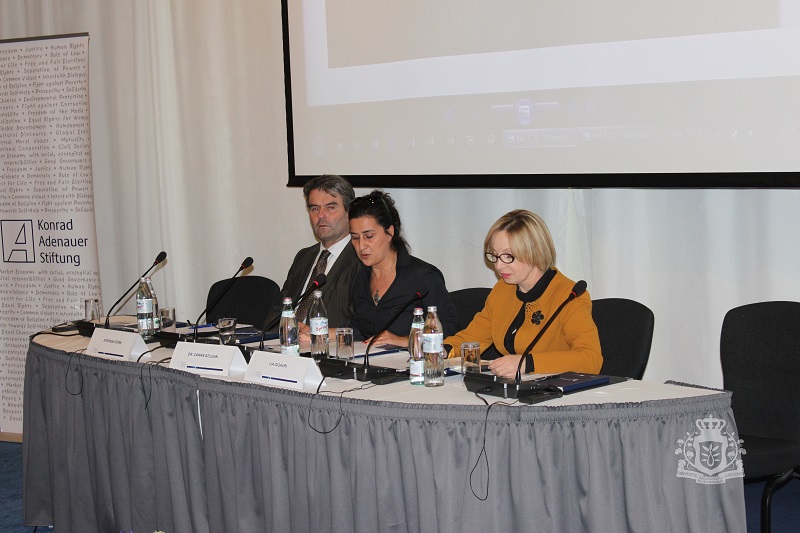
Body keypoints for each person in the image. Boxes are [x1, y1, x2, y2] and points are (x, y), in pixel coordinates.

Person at [444, 209, 602, 377]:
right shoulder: (502, 290)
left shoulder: (570, 296)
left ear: (534, 252)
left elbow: (590, 359)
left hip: (556, 386)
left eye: (508, 256)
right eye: (495, 256)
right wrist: (443, 350)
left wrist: (527, 363)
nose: (498, 266)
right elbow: (473, 337)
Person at [348, 190, 459, 346]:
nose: (361, 246)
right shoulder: (361, 277)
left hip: (411, 359)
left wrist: (404, 340)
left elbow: (451, 328)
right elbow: (358, 330)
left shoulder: (423, 276)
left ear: (390, 232)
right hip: (370, 359)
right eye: (355, 238)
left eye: (369, 236)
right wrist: (318, 332)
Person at [266, 174, 361, 334]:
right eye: (314, 208)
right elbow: (278, 312)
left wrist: (314, 333)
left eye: (330, 207)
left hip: (328, 346)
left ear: (348, 213)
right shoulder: (304, 257)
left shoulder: (360, 258)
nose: (321, 215)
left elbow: (360, 326)